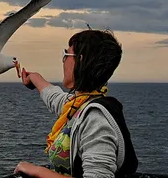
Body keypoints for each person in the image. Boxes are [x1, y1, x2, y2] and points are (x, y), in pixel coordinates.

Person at [14, 29, 138, 178]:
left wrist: (38, 171)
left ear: (80, 60)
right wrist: (33, 78)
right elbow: (54, 97)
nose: (63, 60)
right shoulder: (78, 105)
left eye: (66, 55)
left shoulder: (96, 119)